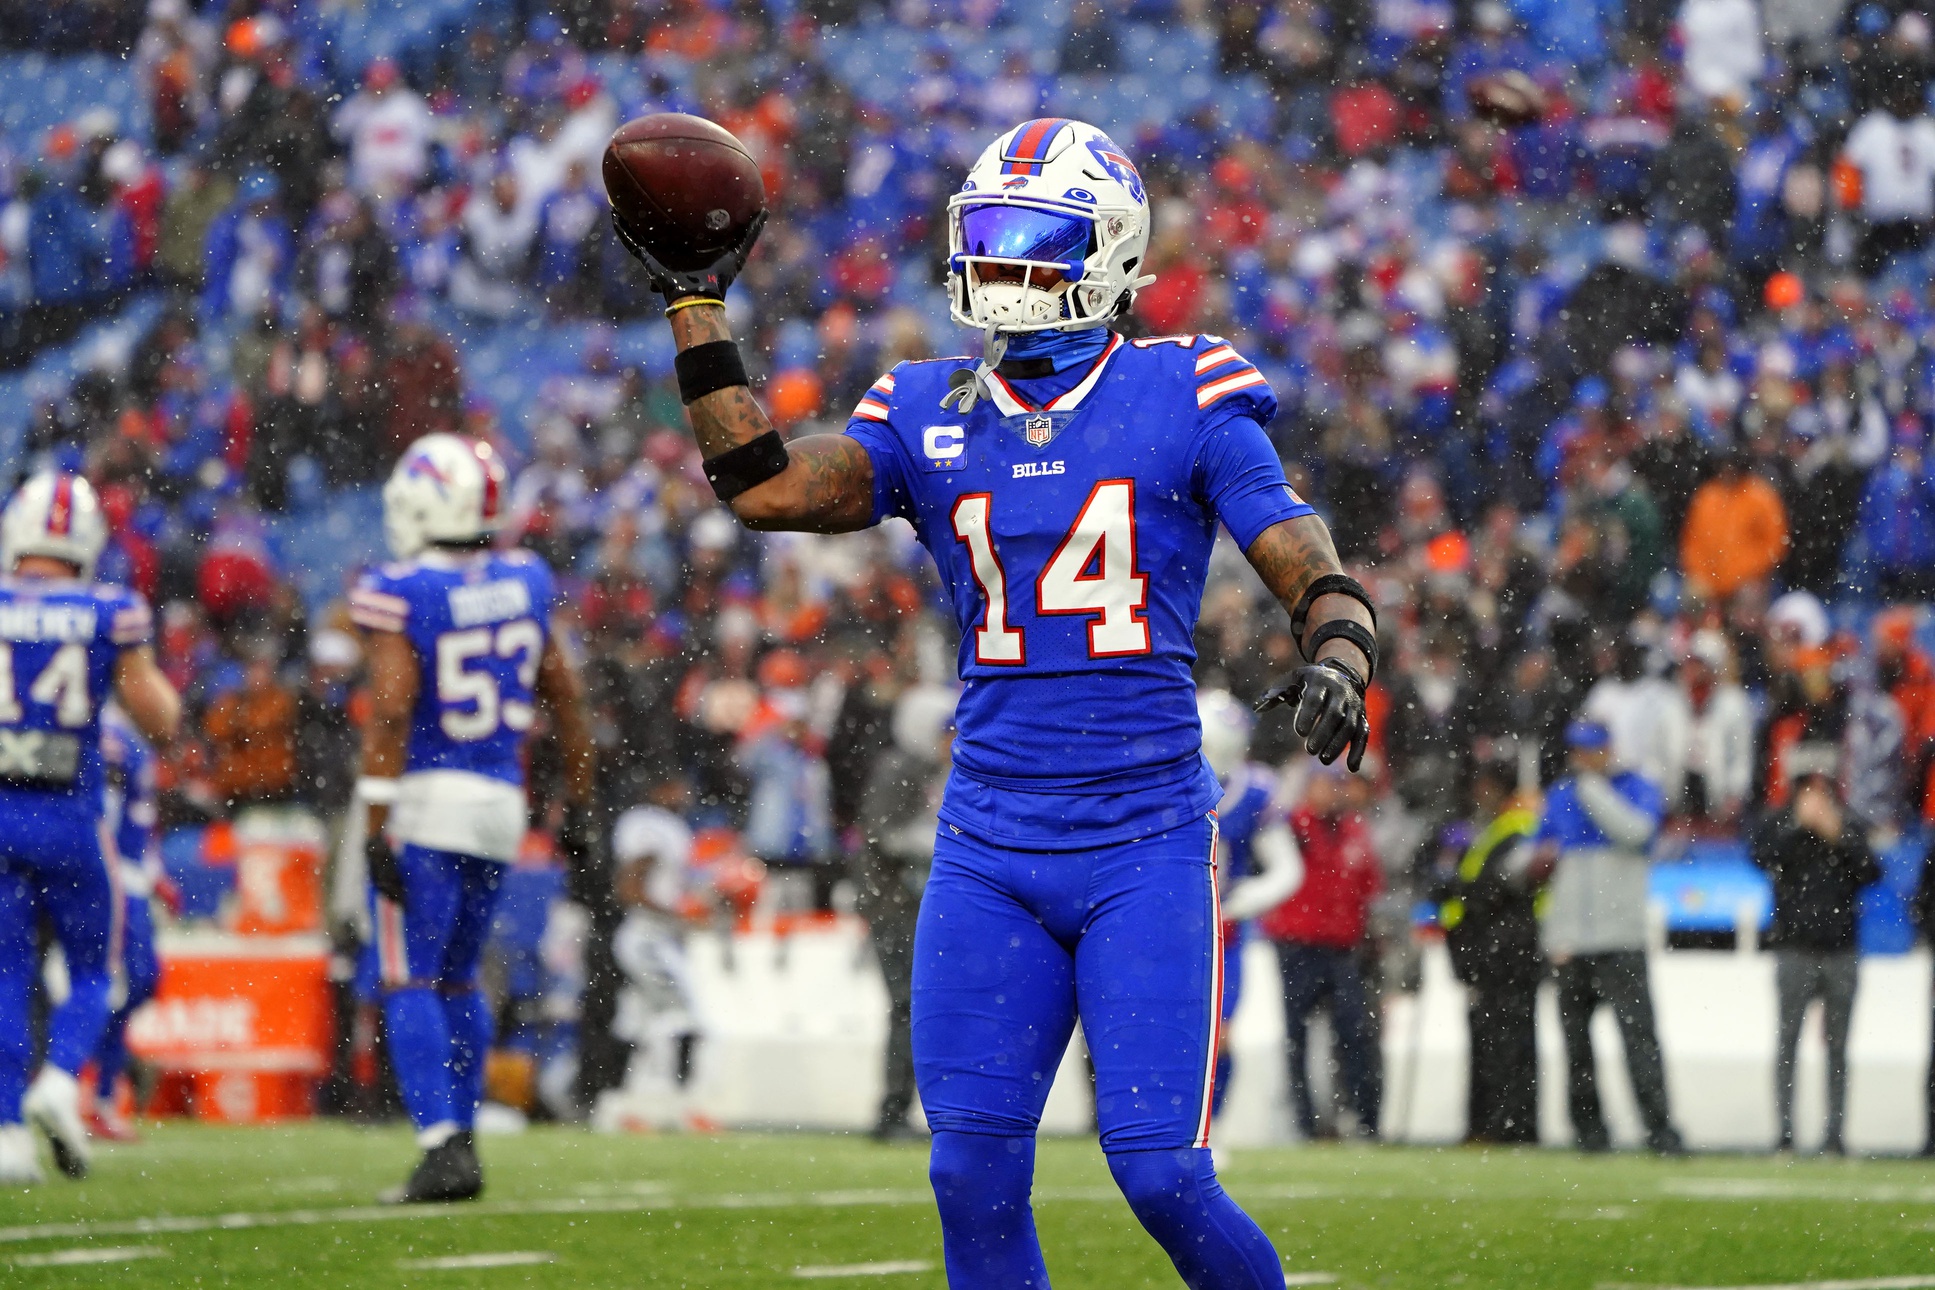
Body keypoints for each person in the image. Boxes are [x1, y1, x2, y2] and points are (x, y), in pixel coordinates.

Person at [617, 116, 1376, 1289]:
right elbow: (762, 484)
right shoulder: (925, 406)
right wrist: (693, 304)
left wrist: (1338, 641)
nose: (1004, 264)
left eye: (1033, 239)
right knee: (968, 1177)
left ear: (1110, 253)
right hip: (989, 842)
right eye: (990, 236)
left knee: (1162, 1173)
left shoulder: (1185, 384)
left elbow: (1292, 539)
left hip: (1145, 838)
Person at [347, 434, 597, 1205]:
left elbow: (390, 710)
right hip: (499, 805)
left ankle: (438, 1144)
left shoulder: (401, 587)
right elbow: (565, 694)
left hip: (425, 800)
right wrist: (579, 802)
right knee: (457, 978)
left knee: (408, 975)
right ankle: (463, 1141)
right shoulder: (524, 577)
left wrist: (372, 816)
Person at [0, 473, 181, 1185]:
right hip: (71, 820)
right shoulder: (109, 609)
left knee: (8, 973)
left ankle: (8, 1132)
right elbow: (160, 721)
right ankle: (62, 1076)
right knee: (96, 971)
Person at [1533, 719, 1683, 1154]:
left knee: (1639, 1041)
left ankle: (1659, 1129)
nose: (1584, 759)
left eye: (1591, 750)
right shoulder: (1561, 795)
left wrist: (1593, 791)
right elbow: (1538, 852)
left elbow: (1637, 833)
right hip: (1571, 940)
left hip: (1621, 937)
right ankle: (1589, 1132)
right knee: (1577, 1047)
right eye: (1578, 750)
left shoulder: (1634, 787)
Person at [1749, 763, 1880, 1154]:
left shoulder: (1848, 825)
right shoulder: (1780, 826)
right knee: (1787, 1041)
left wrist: (1835, 834)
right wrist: (1798, 826)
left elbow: (1871, 872)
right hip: (1794, 948)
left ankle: (1834, 1134)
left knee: (1838, 1046)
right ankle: (1785, 1133)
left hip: (1840, 950)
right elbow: (1760, 857)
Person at [1197, 690, 1304, 1132]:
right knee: (1171, 1036)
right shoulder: (1157, 785)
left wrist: (1241, 900)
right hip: (1167, 926)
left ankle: (1210, 1128)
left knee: (1217, 1037)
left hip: (1224, 934)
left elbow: (1287, 871)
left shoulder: (1253, 790)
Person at [1259, 763, 1383, 1141]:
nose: (1334, 792)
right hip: (1298, 944)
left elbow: (1368, 885)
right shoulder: (1291, 828)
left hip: (1341, 946)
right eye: (1327, 785)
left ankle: (1362, 1119)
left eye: (1338, 785)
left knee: (1354, 1033)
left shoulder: (1353, 830)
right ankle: (1306, 1123)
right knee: (1298, 1037)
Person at [856, 684, 957, 1142]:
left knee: (919, 1010)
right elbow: (883, 836)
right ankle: (892, 1112)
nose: (952, 741)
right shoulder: (900, 768)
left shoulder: (925, 770)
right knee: (907, 1008)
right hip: (896, 906)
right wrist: (946, 843)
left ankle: (905, 1110)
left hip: (913, 905)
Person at [1430, 756, 1541, 1145]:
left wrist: (1455, 888)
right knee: (1495, 1042)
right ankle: (1496, 1124)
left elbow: (1496, 889)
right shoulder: (1492, 830)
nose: (1480, 793)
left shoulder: (1517, 829)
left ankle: (1508, 1125)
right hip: (1492, 955)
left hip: (1507, 955)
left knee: (1505, 1046)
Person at [592, 800, 711, 1135]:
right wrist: (679, 917)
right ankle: (681, 1106)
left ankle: (617, 1106)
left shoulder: (660, 827)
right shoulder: (654, 829)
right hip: (648, 940)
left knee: (633, 1025)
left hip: (646, 939)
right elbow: (629, 889)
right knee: (684, 1018)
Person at [87, 703, 164, 1143]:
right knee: (111, 983)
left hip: (130, 874)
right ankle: (83, 1088)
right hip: (109, 876)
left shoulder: (130, 731)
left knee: (137, 982)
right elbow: (104, 809)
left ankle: (93, 1089)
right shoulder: (108, 732)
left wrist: (151, 870)